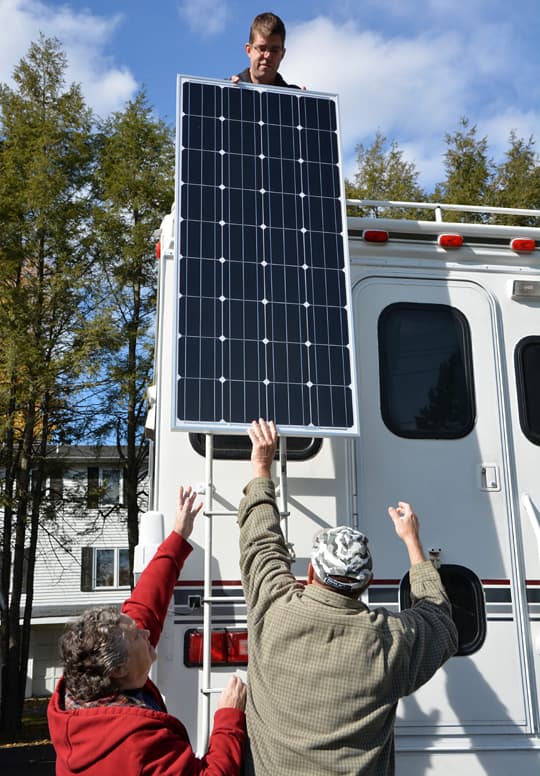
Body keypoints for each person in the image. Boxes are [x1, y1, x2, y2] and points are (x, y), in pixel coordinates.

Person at [237, 419, 458, 776]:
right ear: (365, 583)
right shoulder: (389, 641)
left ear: (311, 574)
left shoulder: (275, 609)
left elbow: (260, 541)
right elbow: (440, 621)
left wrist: (262, 466)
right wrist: (413, 543)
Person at [48, 486, 247, 776]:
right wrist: (229, 719)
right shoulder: (137, 743)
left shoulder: (82, 695)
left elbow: (144, 607)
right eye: (135, 635)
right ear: (118, 669)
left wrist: (177, 538)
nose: (145, 632)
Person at [232, 12, 299, 88]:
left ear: (282, 54)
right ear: (249, 50)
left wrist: (306, 99)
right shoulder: (225, 93)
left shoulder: (294, 97)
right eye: (262, 49)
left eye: (274, 50)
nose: (268, 56)